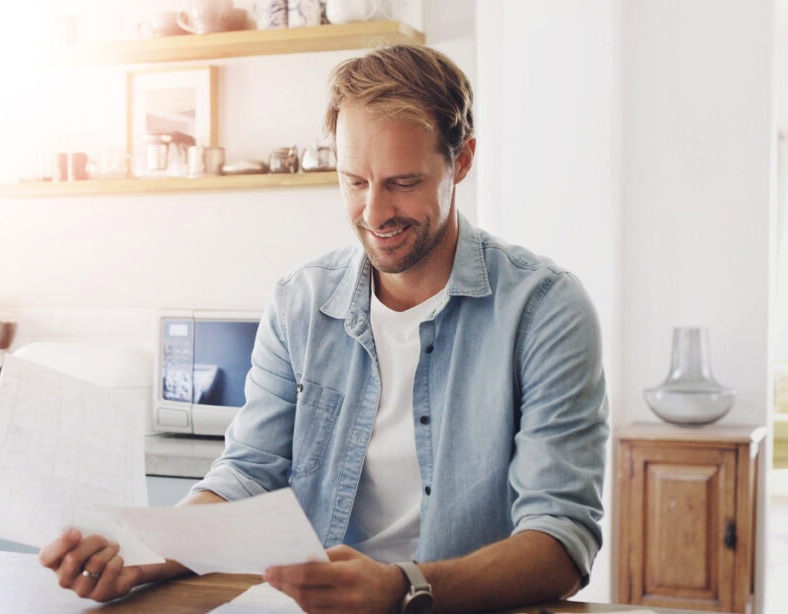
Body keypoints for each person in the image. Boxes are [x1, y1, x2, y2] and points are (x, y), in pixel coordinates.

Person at [40, 43, 608, 613]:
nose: (374, 213)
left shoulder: (544, 309)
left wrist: (402, 587)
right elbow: (247, 477)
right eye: (354, 181)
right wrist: (140, 556)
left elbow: (561, 541)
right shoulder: (300, 303)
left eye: (403, 182)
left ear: (461, 161)